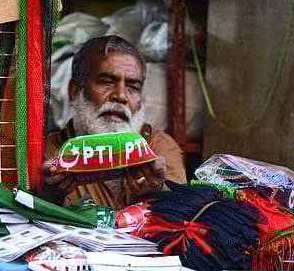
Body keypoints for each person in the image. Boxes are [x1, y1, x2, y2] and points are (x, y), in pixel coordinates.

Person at [37, 35, 186, 209]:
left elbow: (183, 214)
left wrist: (158, 190)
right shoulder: (49, 154)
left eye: (133, 87)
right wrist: (52, 195)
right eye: (107, 82)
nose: (121, 96)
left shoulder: (158, 146)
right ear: (74, 91)